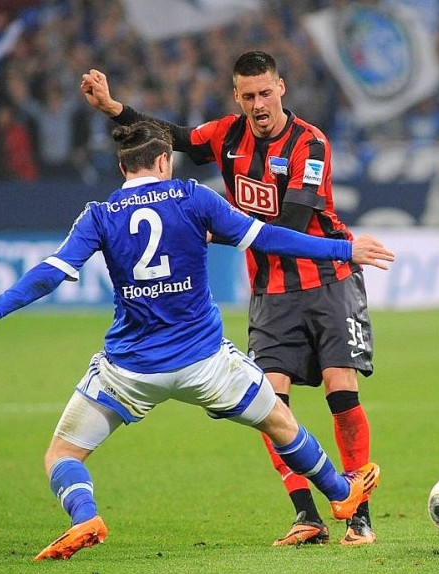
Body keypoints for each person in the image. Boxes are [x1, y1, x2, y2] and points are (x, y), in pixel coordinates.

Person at [0, 120, 393, 561]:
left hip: (130, 370)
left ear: (122, 168)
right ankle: (340, 494)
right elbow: (269, 237)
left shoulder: (99, 215)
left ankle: (86, 518)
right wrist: (344, 248)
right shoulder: (192, 198)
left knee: (63, 454)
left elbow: (50, 274)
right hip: (206, 364)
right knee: (279, 420)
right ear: (163, 160)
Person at [81, 50, 382, 546]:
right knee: (270, 403)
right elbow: (171, 138)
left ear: (282, 88)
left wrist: (205, 229)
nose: (258, 104)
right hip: (270, 291)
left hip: (328, 278)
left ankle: (360, 516)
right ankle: (307, 516)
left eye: (266, 92)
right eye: (248, 96)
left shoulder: (311, 143)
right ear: (236, 97)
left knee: (341, 390)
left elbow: (293, 221)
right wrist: (116, 109)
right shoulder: (226, 134)